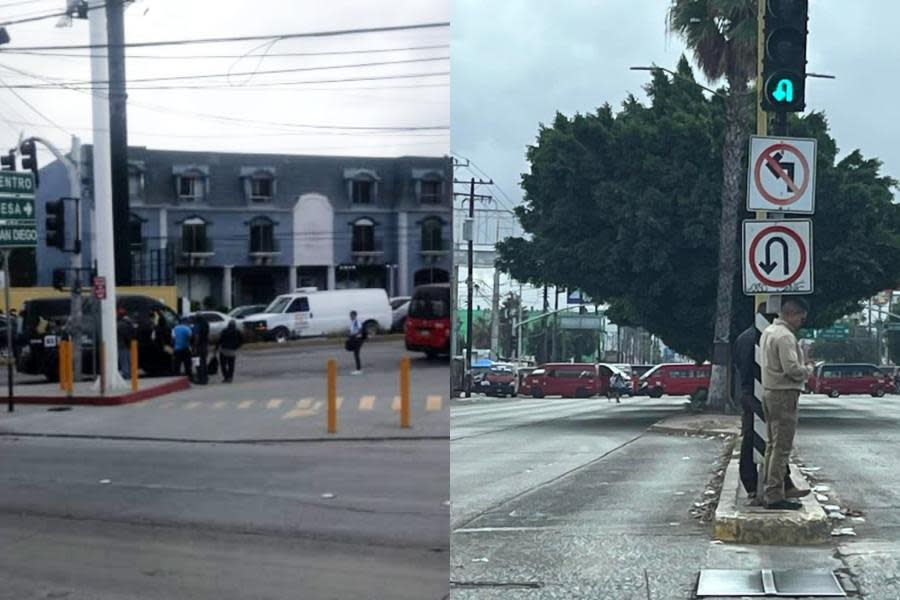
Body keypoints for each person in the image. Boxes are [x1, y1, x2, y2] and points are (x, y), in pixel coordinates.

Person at [733, 304, 805, 501]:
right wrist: (806, 370)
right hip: (764, 392)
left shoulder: (750, 336)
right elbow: (789, 369)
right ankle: (772, 488)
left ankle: (768, 484)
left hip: (752, 392)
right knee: (773, 441)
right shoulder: (768, 337)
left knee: (766, 440)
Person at [759, 297, 814, 511]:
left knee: (772, 445)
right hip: (784, 394)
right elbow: (792, 369)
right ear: (791, 313)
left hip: (770, 392)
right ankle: (774, 495)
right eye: (801, 317)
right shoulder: (785, 337)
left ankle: (770, 489)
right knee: (781, 447)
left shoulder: (769, 332)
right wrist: (808, 370)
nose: (802, 321)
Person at [116, 308, 136, 379]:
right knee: (130, 360)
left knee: (124, 361)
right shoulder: (131, 322)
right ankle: (131, 374)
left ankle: (126, 374)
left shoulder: (120, 324)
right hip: (130, 344)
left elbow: (123, 335)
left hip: (122, 344)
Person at [193, 315, 210, 385]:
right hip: (205, 345)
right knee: (204, 362)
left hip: (199, 346)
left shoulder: (197, 325)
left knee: (197, 362)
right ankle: (205, 377)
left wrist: (194, 345)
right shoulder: (206, 325)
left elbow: (197, 336)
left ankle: (200, 378)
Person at [347, 310, 365, 374]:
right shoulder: (352, 323)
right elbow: (351, 331)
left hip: (358, 340)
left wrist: (353, 335)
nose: (350, 317)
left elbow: (360, 330)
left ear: (354, 315)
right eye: (350, 315)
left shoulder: (357, 322)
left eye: (351, 315)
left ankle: (359, 370)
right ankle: (358, 369)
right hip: (354, 339)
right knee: (355, 354)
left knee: (356, 354)